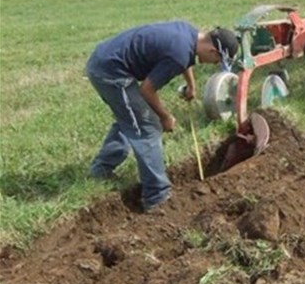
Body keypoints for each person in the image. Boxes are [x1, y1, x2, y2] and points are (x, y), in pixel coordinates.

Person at [85, 21, 239, 212]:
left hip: (105, 60)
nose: (214, 64)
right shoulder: (179, 53)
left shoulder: (189, 34)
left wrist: (191, 84)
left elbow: (185, 60)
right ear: (213, 51)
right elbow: (147, 90)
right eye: (217, 60)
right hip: (110, 72)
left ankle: (101, 170)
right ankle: (156, 197)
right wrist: (165, 117)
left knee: (131, 117)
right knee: (148, 126)